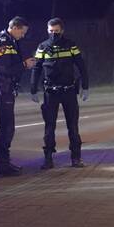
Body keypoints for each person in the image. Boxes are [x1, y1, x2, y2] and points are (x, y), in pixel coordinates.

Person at [30, 18, 89, 168]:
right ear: (47, 31)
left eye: (56, 31)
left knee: (73, 126)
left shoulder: (70, 45)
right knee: (49, 126)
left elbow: (81, 66)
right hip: (51, 92)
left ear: (62, 30)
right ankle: (48, 158)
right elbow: (36, 69)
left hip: (69, 90)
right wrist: (33, 89)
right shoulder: (42, 47)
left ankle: (76, 158)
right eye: (51, 31)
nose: (54, 34)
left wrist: (85, 86)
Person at [0, 16, 36, 176]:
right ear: (15, 27)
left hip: (8, 88)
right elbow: (4, 68)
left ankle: (5, 162)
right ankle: (3, 164)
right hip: (4, 88)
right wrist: (24, 65)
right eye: (22, 32)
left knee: (9, 126)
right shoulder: (3, 42)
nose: (22, 35)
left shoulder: (10, 41)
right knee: (7, 127)